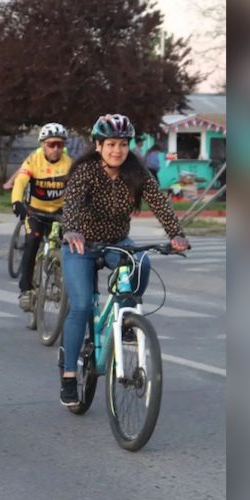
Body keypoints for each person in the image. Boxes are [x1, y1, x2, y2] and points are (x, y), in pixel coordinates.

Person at [59, 114, 189, 406]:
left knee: (141, 261)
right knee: (81, 306)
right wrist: (72, 230)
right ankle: (68, 376)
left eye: (122, 144)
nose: (117, 150)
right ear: (98, 145)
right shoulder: (86, 172)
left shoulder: (136, 172)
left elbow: (160, 203)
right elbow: (73, 204)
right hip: (80, 245)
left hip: (116, 243)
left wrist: (176, 234)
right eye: (111, 144)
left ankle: (127, 317)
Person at [10, 122, 73, 312]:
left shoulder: (69, 164)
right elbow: (20, 182)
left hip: (60, 212)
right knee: (31, 244)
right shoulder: (33, 160)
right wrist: (17, 202)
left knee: (70, 247)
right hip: (36, 212)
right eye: (52, 144)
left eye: (60, 145)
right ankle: (25, 290)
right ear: (43, 144)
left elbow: (79, 189)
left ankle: (61, 281)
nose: (56, 149)